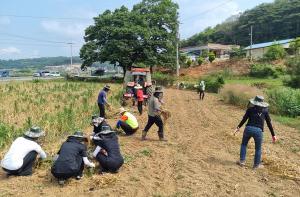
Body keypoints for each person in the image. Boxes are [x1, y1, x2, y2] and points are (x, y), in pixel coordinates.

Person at [234, 96, 277, 169]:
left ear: (254, 102)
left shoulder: (250, 109)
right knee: (258, 148)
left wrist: (238, 127)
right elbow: (269, 123)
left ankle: (242, 161)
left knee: (244, 144)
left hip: (248, 129)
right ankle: (256, 165)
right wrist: (273, 135)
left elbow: (244, 119)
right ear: (262, 103)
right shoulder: (265, 111)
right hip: (258, 131)